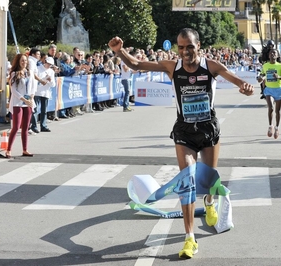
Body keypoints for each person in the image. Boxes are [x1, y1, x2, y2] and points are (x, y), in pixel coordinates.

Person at [108, 28, 254, 259]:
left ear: (199, 46)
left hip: (208, 130)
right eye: (181, 47)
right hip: (184, 131)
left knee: (207, 180)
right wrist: (119, 51)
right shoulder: (171, 67)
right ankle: (190, 239)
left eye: (190, 47)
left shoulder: (212, 66)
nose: (185, 51)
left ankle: (208, 203)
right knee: (187, 183)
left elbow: (238, 82)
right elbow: (136, 65)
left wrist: (245, 88)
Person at [6, 54, 36, 158]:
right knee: (16, 126)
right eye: (22, 61)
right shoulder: (14, 74)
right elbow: (14, 90)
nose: (24, 62)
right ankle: (9, 149)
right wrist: (24, 100)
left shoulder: (29, 73)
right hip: (18, 103)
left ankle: (25, 149)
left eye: (25, 60)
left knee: (25, 127)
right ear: (18, 62)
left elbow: (33, 87)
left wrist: (31, 98)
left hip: (28, 102)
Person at [257, 48, 281, 139]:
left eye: (274, 53)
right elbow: (262, 75)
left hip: (278, 89)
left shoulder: (280, 66)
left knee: (277, 111)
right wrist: (260, 78)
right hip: (269, 89)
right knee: (270, 108)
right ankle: (270, 126)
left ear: (277, 55)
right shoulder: (265, 66)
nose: (272, 54)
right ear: (268, 55)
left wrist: (279, 77)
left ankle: (277, 128)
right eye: (271, 53)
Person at [30, 56, 55, 133]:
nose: (49, 65)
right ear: (45, 62)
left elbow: (53, 84)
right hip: (37, 91)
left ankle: (43, 126)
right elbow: (35, 79)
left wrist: (50, 80)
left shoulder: (51, 71)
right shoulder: (38, 68)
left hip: (46, 92)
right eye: (48, 63)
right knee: (35, 109)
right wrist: (43, 80)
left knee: (44, 110)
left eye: (50, 64)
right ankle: (34, 126)